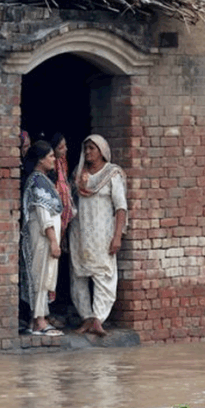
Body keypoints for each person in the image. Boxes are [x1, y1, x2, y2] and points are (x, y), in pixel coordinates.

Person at [69, 134, 127, 337]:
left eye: (92, 148)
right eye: (86, 149)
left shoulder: (112, 174)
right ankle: (86, 317)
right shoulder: (78, 174)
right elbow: (70, 203)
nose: (88, 152)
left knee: (104, 274)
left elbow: (121, 207)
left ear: (102, 150)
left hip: (103, 233)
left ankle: (98, 319)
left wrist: (117, 236)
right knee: (79, 274)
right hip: (81, 231)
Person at [19, 141, 64, 336]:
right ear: (40, 159)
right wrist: (53, 240)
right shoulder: (37, 181)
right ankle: (39, 321)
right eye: (51, 156)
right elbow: (43, 215)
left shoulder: (43, 179)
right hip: (42, 238)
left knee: (44, 276)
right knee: (40, 276)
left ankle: (37, 319)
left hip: (45, 237)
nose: (55, 160)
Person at [49, 133, 75, 244]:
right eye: (61, 147)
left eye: (65, 146)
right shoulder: (50, 165)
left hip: (64, 209)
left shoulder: (63, 162)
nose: (65, 149)